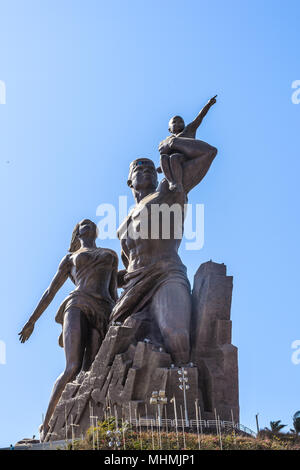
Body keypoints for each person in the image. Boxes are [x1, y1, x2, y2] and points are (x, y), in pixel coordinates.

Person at [110, 132, 217, 365]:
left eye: (150, 168)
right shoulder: (122, 228)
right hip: (133, 287)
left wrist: (175, 143)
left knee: (176, 335)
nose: (147, 171)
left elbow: (208, 153)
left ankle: (187, 393)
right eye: (139, 169)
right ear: (130, 181)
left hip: (166, 275)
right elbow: (128, 264)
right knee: (112, 342)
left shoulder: (167, 191)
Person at [18, 219, 118, 440]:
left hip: (104, 309)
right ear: (77, 234)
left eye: (91, 224)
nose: (88, 225)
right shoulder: (70, 258)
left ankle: (91, 423)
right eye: (83, 224)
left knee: (92, 369)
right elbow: (50, 291)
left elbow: (114, 292)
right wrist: (32, 320)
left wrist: (120, 315)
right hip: (78, 303)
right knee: (72, 367)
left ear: (96, 231)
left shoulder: (110, 255)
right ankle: (46, 426)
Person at [158, 95, 217, 192]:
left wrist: (208, 104)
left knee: (174, 157)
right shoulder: (166, 141)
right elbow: (164, 153)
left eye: (181, 122)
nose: (178, 123)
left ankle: (177, 182)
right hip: (170, 161)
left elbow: (199, 117)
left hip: (184, 157)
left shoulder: (188, 130)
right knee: (163, 158)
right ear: (169, 129)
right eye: (174, 122)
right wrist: (162, 166)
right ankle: (171, 181)